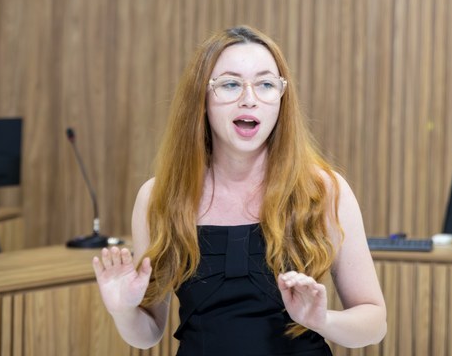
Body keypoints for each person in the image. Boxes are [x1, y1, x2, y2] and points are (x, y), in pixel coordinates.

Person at [93, 26, 386, 355]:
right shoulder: (159, 197)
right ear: (202, 98)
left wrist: (322, 320)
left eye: (266, 84)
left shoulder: (324, 191)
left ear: (282, 98)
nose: (249, 99)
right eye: (230, 84)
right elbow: (147, 334)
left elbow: (374, 322)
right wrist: (123, 310)